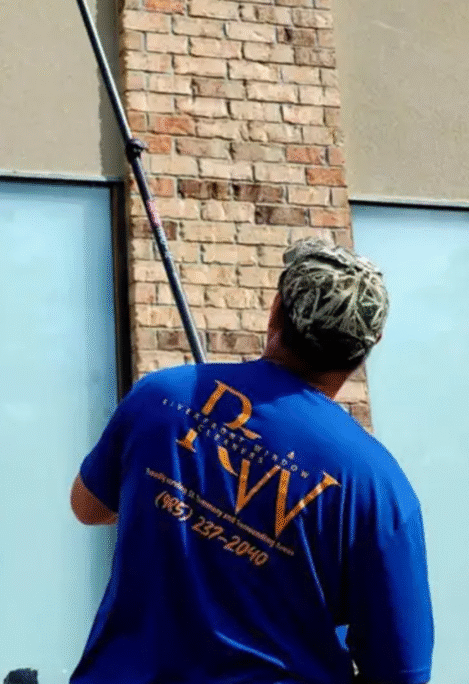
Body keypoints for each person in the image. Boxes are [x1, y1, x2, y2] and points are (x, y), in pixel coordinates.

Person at [69, 237, 434, 684]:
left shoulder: (163, 396)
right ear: (368, 346)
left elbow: (88, 507)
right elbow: (402, 672)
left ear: (276, 311)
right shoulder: (379, 488)